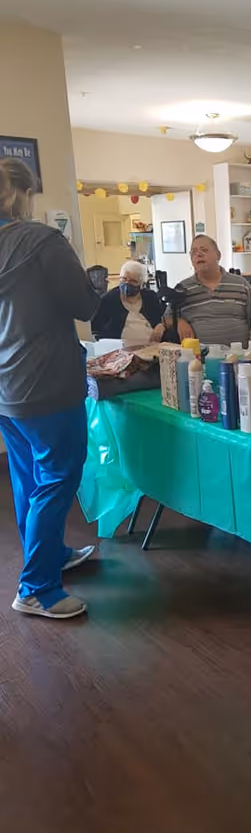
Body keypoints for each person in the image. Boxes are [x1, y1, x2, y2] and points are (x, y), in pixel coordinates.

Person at [0, 159, 100, 619]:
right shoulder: (41, 240)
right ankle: (37, 586)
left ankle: (50, 554)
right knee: (58, 476)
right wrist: (95, 281)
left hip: (7, 385)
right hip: (46, 382)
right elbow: (82, 304)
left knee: (29, 477)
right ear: (24, 194)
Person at [167, 235, 251, 346]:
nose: (198, 254)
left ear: (218, 255)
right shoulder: (182, 288)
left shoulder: (241, 284)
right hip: (196, 359)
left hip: (237, 357)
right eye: (194, 252)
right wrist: (179, 322)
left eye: (204, 250)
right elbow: (166, 318)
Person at [91, 260, 165, 346]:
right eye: (124, 279)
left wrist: (160, 326)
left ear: (141, 284)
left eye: (133, 281)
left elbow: (163, 318)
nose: (127, 283)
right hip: (120, 351)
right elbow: (95, 329)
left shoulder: (150, 297)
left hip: (151, 348)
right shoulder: (108, 299)